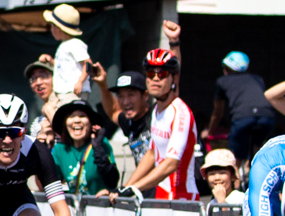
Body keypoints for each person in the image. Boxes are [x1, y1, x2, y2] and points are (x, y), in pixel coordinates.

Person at [114, 50, 198, 201]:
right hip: (161, 195)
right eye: (151, 74)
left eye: (163, 74)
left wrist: (134, 188)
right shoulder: (157, 111)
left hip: (182, 198)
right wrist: (126, 187)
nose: (156, 79)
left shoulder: (180, 113)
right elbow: (152, 154)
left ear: (174, 78)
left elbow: (171, 164)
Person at [203, 51, 279, 165]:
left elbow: (218, 113)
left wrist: (209, 131)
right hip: (267, 117)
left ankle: (237, 177)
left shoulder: (222, 81)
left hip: (243, 118)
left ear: (227, 68)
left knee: (236, 157)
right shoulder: (257, 78)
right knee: (258, 148)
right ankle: (254, 168)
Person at [50, 101, 119, 195]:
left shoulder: (102, 143)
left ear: (91, 123)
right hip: (74, 207)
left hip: (98, 205)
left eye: (82, 116)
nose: (77, 120)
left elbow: (112, 182)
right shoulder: (59, 149)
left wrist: (98, 149)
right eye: (71, 116)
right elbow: (48, 185)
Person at [94, 67, 153, 167]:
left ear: (145, 95)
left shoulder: (157, 116)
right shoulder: (129, 121)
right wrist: (103, 85)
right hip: (143, 182)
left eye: (131, 95)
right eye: (120, 96)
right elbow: (113, 111)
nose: (125, 102)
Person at [44, 5, 90, 100]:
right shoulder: (63, 45)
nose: (51, 29)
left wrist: (80, 82)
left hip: (73, 92)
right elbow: (65, 66)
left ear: (58, 28)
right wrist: (50, 60)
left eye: (52, 26)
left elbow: (88, 64)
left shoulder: (75, 44)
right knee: (47, 109)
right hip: (61, 92)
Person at [24, 58, 61, 144]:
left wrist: (49, 111)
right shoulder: (37, 123)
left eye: (43, 76)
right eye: (33, 79)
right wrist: (40, 138)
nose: (38, 82)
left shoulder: (69, 106)